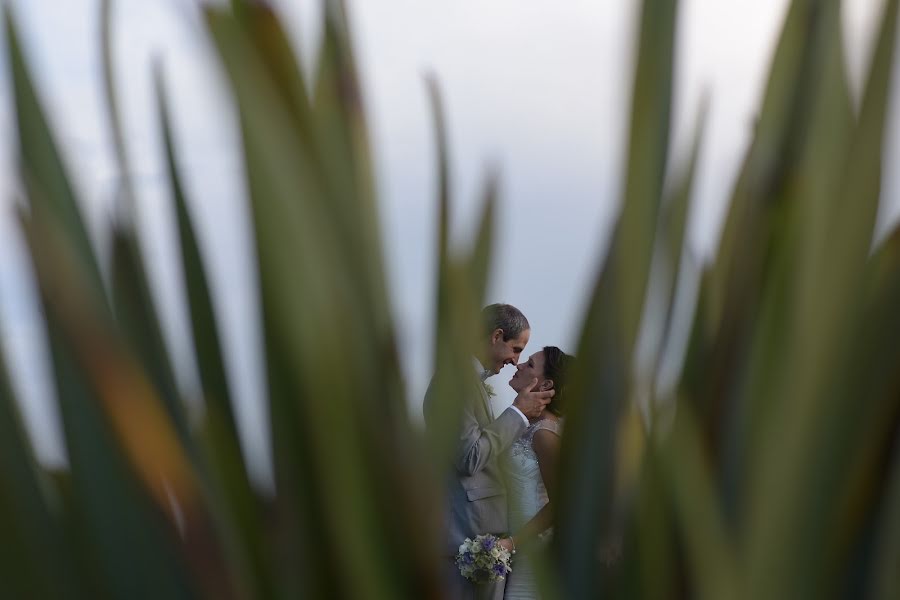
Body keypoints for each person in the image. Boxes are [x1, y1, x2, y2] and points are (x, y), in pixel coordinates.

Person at [424, 303, 555, 600]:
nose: (515, 361)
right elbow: (469, 456)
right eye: (516, 349)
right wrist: (518, 414)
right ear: (496, 336)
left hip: (490, 540)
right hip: (467, 537)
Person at [499, 346, 574, 600]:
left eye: (530, 364)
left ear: (546, 384)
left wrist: (511, 543)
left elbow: (561, 504)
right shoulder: (522, 424)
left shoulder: (545, 434)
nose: (519, 365)